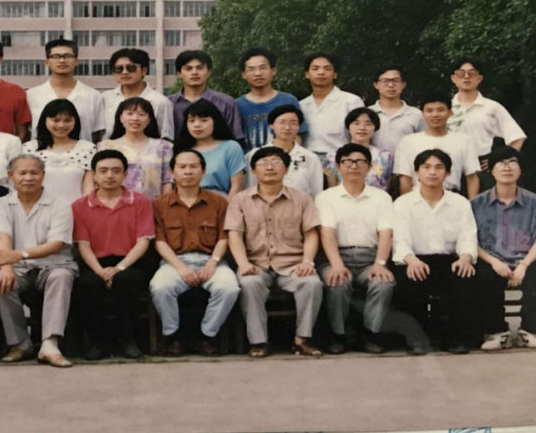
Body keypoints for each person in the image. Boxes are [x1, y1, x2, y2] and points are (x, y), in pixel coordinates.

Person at [227, 146, 323, 358]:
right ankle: (259, 341)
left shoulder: (303, 199)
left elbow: (311, 234)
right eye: (263, 163)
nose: (269, 167)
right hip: (256, 264)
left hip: (293, 265)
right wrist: (243, 264)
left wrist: (307, 262)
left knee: (312, 283)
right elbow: (234, 235)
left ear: (286, 169)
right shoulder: (239, 200)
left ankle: (302, 339)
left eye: (276, 162)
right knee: (249, 284)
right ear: (253, 171)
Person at [0, 155, 78, 368]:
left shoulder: (60, 205)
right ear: (11, 176)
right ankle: (21, 343)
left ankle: (50, 344)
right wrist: (6, 267)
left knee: (61, 276)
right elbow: (2, 238)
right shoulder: (0, 205)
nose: (28, 178)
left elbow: (56, 244)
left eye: (34, 173)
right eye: (22, 173)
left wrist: (20, 254)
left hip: (54, 265)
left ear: (43, 175)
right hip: (19, 268)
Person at [149, 149, 240, 357]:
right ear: (172, 172)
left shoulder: (219, 202)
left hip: (212, 260)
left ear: (203, 171)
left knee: (229, 288)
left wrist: (213, 263)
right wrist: (180, 267)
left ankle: (206, 336)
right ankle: (174, 337)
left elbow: (224, 237)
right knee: (160, 287)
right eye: (182, 167)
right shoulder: (159, 204)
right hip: (174, 261)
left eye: (193, 167)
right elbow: (159, 241)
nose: (188, 171)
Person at [392, 149, 480, 354]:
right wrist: (411, 259)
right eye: (426, 167)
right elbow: (399, 239)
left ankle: (455, 339)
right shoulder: (403, 203)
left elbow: (468, 236)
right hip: (415, 259)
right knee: (409, 281)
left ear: (448, 173)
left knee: (465, 277)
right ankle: (417, 339)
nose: (432, 172)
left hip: (449, 260)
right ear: (417, 172)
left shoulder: (460, 203)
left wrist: (466, 257)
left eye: (439, 167)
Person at [72, 150, 156, 360]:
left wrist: (118, 268)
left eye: (116, 171)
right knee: (88, 283)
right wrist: (101, 272)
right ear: (94, 175)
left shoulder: (140, 201)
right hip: (95, 262)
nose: (109, 175)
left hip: (130, 261)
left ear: (125, 174)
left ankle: (127, 340)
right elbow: (83, 245)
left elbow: (143, 242)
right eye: (103, 171)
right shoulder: (80, 205)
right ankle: (97, 342)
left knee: (126, 281)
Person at [316, 143, 395, 355]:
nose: (354, 166)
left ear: (369, 166)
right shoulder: (326, 197)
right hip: (335, 257)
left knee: (383, 284)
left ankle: (369, 334)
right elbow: (327, 233)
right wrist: (337, 265)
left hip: (370, 258)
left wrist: (380, 263)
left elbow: (386, 233)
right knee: (337, 282)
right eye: (347, 162)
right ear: (338, 167)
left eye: (360, 162)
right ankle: (338, 335)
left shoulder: (381, 197)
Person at [472, 147, 536, 351]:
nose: (506, 168)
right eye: (500, 163)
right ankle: (498, 332)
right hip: (491, 260)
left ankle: (528, 332)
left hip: (525, 261)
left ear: (520, 170)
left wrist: (523, 265)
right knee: (481, 275)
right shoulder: (476, 204)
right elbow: (471, 242)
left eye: (512, 162)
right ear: (491, 171)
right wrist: (494, 262)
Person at [447, 57, 526, 190]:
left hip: (481, 169)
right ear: (453, 78)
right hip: (450, 168)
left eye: (472, 73)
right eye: (461, 73)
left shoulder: (492, 107)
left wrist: (498, 160)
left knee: (485, 202)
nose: (466, 77)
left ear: (480, 78)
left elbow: (517, 137)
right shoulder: (444, 108)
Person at [394, 93, 480, 198]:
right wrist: (406, 204)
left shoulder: (464, 140)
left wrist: (472, 204)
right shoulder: (408, 141)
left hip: (452, 198)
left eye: (440, 110)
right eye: (429, 111)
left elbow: (471, 177)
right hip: (417, 198)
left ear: (450, 112)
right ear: (422, 114)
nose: (435, 115)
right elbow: (405, 178)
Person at [26, 39, 106, 143]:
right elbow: (26, 132)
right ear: (47, 62)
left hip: (82, 152)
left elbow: (96, 134)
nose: (62, 60)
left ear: (76, 61)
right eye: (56, 56)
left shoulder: (93, 96)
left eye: (68, 56)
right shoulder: (31, 95)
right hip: (40, 152)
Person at [21, 99, 95, 206]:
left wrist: (84, 210)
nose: (61, 125)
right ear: (45, 120)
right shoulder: (29, 148)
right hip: (38, 209)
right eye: (55, 120)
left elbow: (88, 187)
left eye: (67, 120)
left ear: (75, 121)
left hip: (75, 210)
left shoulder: (87, 148)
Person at [98, 98, 174, 198]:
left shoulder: (164, 147)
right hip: (117, 203)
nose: (135, 118)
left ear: (149, 119)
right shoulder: (106, 146)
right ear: (120, 117)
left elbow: (167, 180)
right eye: (129, 114)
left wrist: (164, 204)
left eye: (141, 114)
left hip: (153, 204)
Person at [235, 47, 307, 150]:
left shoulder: (288, 100)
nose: (258, 73)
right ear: (244, 74)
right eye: (251, 69)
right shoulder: (236, 105)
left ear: (273, 71)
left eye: (263, 68)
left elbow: (298, 135)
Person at [168, 50, 245, 145]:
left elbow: (236, 138)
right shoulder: (168, 104)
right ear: (179, 73)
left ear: (208, 72)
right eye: (188, 69)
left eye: (200, 68)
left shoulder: (226, 103)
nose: (194, 72)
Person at [298, 52, 365, 162]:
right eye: (315, 68)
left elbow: (361, 135)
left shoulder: (351, 101)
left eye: (327, 68)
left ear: (335, 74)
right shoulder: (301, 105)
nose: (321, 72)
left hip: (341, 160)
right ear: (307, 74)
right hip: (307, 161)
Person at [243, 105, 322, 196]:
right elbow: (249, 187)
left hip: (300, 204)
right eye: (282, 122)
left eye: (293, 123)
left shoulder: (310, 157)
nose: (287, 127)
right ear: (271, 125)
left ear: (299, 126)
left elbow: (316, 191)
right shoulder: (254, 155)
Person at [175, 100, 245, 197]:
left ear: (215, 122)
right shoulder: (181, 149)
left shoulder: (231, 147)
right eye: (191, 120)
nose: (197, 125)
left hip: (220, 201)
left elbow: (237, 186)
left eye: (203, 120)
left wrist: (228, 206)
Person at [102, 48, 174, 141]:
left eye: (131, 68)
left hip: (149, 149)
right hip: (109, 149)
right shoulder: (105, 98)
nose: (124, 72)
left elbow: (166, 136)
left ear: (144, 70)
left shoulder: (160, 101)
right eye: (119, 69)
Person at [322, 108, 394, 191]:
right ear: (348, 127)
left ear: (375, 128)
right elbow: (332, 190)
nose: (362, 128)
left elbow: (386, 190)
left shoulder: (386, 158)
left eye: (368, 124)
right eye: (356, 123)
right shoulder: (332, 157)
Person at [368, 66, 425, 156]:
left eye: (395, 80)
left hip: (406, 163)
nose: (390, 85)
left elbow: (423, 143)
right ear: (376, 85)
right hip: (373, 163)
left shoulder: (416, 114)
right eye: (385, 81)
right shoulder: (367, 113)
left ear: (403, 84)